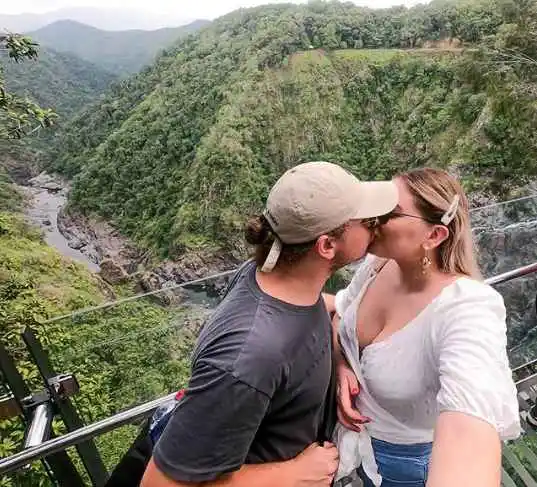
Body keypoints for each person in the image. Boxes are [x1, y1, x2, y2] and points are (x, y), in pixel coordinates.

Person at [140, 161, 399, 487]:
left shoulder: (267, 276)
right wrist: (291, 474)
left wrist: (339, 355)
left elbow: (309, 314)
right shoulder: (250, 357)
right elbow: (160, 484)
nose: (375, 228)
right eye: (368, 222)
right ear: (327, 246)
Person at [324, 167, 521, 487]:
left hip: (409, 466)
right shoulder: (380, 264)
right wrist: (343, 364)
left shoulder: (467, 309)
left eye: (389, 212)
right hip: (358, 442)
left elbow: (468, 424)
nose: (373, 219)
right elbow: (340, 312)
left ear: (434, 235)